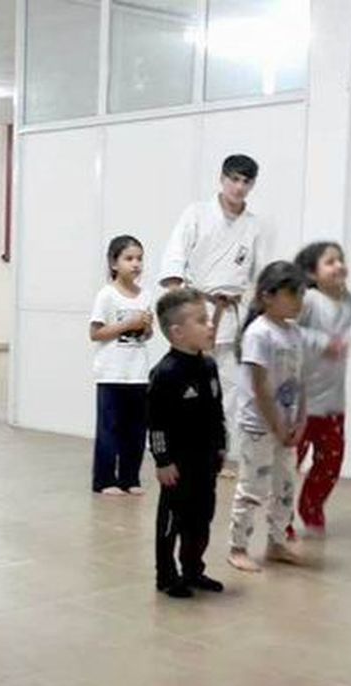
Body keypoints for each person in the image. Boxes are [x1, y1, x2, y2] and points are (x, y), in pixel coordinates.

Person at [159, 154, 266, 477]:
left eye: (246, 182)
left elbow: (257, 275)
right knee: (188, 382)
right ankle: (182, 448)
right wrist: (179, 300)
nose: (239, 187)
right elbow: (175, 254)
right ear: (222, 179)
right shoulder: (197, 213)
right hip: (198, 308)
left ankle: (224, 453)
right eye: (234, 179)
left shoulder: (254, 225)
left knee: (231, 387)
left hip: (232, 312)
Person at [289, 241, 351, 540]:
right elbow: (289, 330)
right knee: (288, 464)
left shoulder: (349, 299)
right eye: (330, 261)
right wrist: (324, 342)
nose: (339, 266)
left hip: (333, 403)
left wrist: (348, 337)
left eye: (341, 260)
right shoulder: (308, 300)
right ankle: (281, 520)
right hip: (300, 404)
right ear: (311, 272)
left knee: (330, 461)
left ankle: (312, 507)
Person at [148, 288, 229, 598]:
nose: (210, 326)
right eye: (202, 320)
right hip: (178, 465)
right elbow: (156, 422)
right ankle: (167, 576)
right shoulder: (166, 373)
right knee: (173, 521)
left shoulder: (208, 366)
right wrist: (162, 460)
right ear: (177, 332)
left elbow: (216, 409)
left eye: (208, 319)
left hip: (205, 460)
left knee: (201, 518)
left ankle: (193, 569)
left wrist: (221, 444)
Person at [227, 262, 307, 573]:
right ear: (266, 296)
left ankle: (276, 542)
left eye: (301, 295)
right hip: (259, 426)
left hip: (285, 426)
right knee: (253, 488)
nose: (299, 302)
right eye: (292, 295)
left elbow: (302, 381)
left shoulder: (296, 333)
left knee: (285, 486)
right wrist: (276, 423)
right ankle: (238, 546)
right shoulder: (259, 333)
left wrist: (300, 419)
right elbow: (260, 386)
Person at [90, 235, 153, 496]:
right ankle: (104, 479)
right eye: (129, 258)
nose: (135, 264)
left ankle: (130, 477)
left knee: (136, 430)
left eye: (139, 258)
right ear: (114, 263)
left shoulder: (145, 294)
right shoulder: (107, 295)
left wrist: (146, 327)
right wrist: (128, 324)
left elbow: (148, 334)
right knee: (110, 428)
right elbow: (96, 333)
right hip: (112, 373)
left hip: (138, 373)